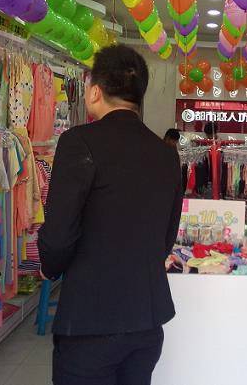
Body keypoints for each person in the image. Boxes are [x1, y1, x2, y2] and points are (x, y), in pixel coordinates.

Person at [38, 45, 184, 385]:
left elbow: (59, 233)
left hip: (91, 318)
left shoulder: (78, 142)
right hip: (147, 321)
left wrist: (49, 266)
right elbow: (167, 237)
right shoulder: (166, 155)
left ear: (94, 91)